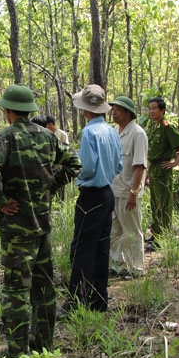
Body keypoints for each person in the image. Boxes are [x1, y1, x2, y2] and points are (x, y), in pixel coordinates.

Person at [0, 84, 81, 358]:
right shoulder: (48, 138)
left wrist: (0, 200)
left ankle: (17, 352)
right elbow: (74, 163)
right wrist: (49, 186)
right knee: (44, 287)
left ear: (9, 111)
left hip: (16, 230)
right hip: (42, 225)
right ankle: (44, 344)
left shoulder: (4, 139)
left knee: (16, 291)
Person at [62, 84, 123, 315]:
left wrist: (72, 167)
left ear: (85, 109)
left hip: (92, 195)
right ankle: (99, 300)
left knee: (82, 250)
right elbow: (118, 165)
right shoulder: (111, 130)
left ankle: (75, 303)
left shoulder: (89, 132)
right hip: (108, 193)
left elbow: (86, 168)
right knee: (101, 247)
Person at [108, 96, 148, 279]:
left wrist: (134, 192)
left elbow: (139, 165)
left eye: (118, 109)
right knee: (114, 229)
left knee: (131, 230)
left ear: (128, 112)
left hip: (128, 191)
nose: (114, 112)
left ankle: (136, 267)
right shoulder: (115, 132)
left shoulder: (137, 134)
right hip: (114, 189)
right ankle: (118, 265)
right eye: (113, 109)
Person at [146, 97, 179, 251]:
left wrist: (175, 162)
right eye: (149, 108)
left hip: (163, 169)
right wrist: (147, 173)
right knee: (154, 203)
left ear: (162, 110)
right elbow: (151, 153)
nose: (151, 111)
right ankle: (155, 233)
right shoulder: (153, 127)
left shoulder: (166, 127)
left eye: (154, 108)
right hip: (153, 169)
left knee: (164, 203)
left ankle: (163, 237)